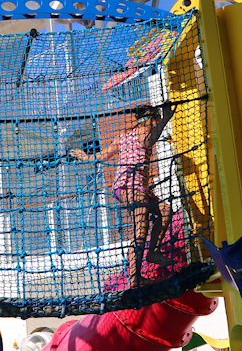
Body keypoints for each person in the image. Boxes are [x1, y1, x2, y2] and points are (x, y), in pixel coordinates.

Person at [70, 103, 175, 288]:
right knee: (140, 231)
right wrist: (166, 119)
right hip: (132, 187)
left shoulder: (123, 135)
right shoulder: (143, 132)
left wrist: (85, 156)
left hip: (125, 187)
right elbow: (149, 141)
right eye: (156, 118)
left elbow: (103, 155)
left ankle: (153, 252)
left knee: (165, 211)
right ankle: (135, 280)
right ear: (151, 118)